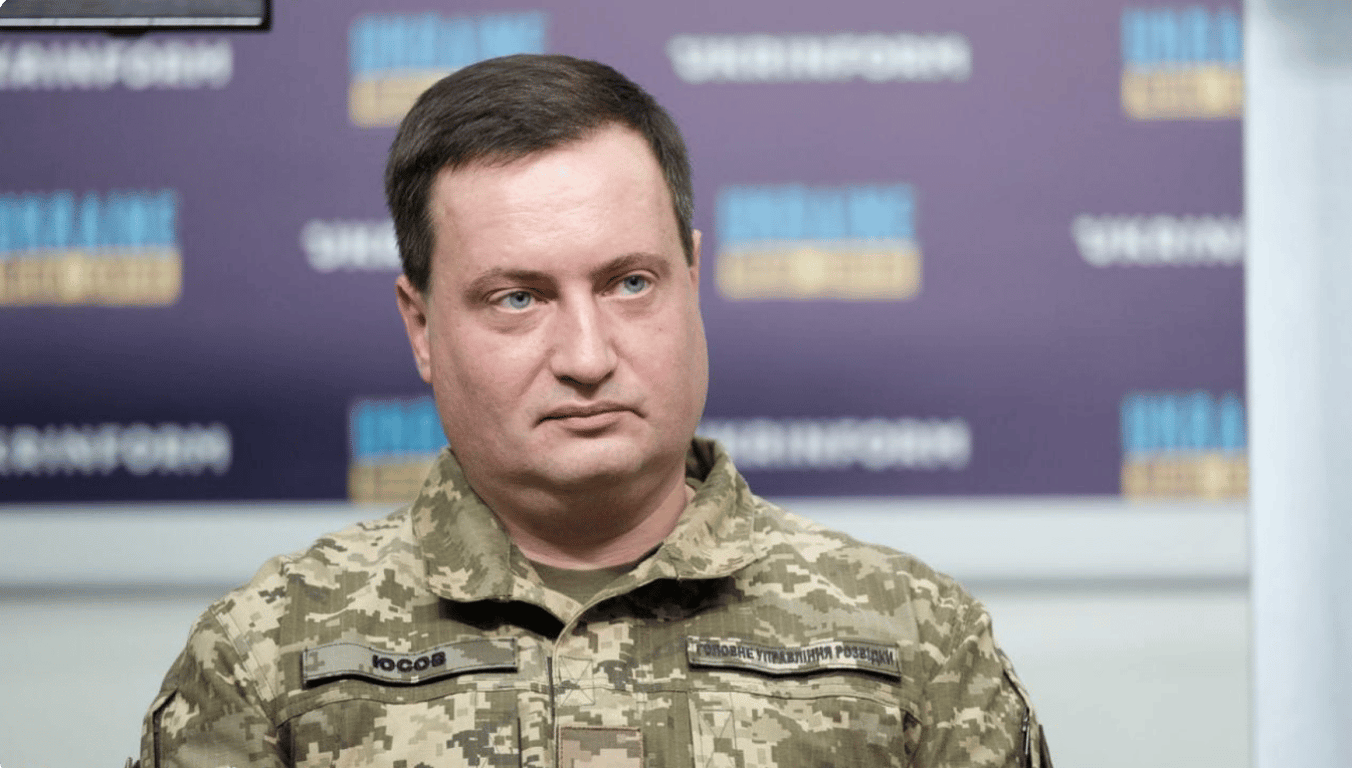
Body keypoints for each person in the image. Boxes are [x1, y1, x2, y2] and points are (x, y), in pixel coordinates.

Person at [134, 53, 1052, 768]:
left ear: (693, 277)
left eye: (630, 283)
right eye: (517, 298)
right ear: (421, 326)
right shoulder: (268, 654)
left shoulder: (913, 638)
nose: (586, 357)